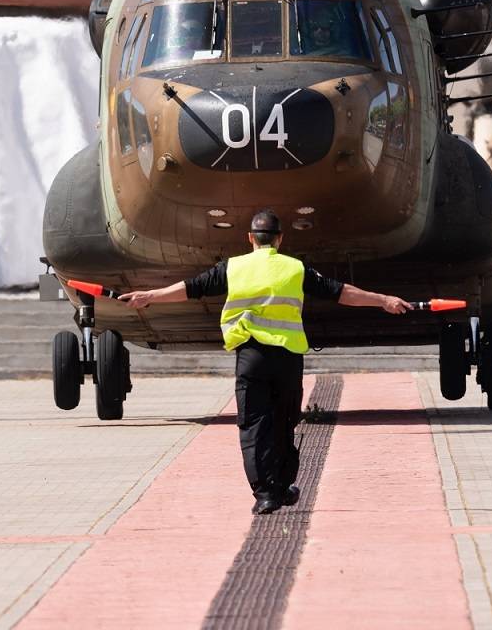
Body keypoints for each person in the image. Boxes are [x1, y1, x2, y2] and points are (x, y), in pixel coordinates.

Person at [118, 210, 412, 515]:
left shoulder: (233, 267)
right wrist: (383, 300)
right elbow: (341, 292)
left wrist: (150, 295)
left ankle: (265, 494)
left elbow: (193, 287)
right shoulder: (295, 268)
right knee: (284, 422)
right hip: (287, 358)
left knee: (254, 425)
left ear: (250, 238)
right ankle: (282, 485)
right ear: (280, 238)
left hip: (251, 357)